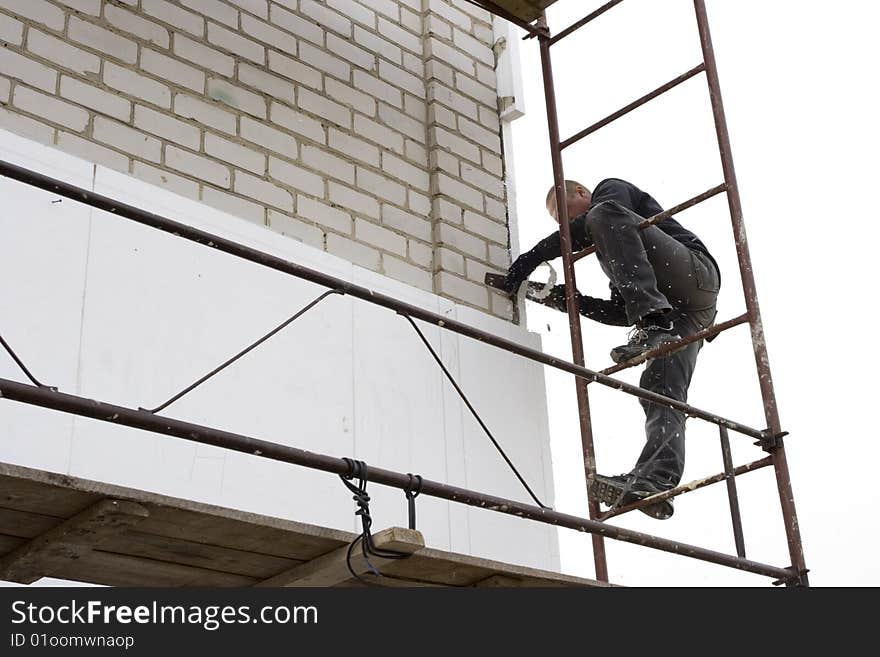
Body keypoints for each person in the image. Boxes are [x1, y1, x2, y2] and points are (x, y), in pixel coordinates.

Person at [502, 178, 721, 519]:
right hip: (682, 315)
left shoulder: (610, 195)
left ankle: (653, 322)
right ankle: (656, 482)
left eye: (563, 215)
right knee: (660, 392)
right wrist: (561, 298)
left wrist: (534, 255)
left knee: (603, 216)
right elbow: (620, 311)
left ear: (581, 193)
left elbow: (595, 220)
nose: (564, 225)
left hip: (695, 276)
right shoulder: (621, 250)